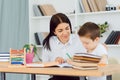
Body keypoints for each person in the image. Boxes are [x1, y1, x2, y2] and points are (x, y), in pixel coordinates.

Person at [42, 13, 86, 80]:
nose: (65, 33)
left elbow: (86, 60)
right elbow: (44, 64)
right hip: (57, 77)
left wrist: (75, 60)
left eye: (67, 28)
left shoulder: (78, 40)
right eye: (60, 30)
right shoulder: (49, 42)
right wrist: (55, 62)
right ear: (54, 32)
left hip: (76, 77)